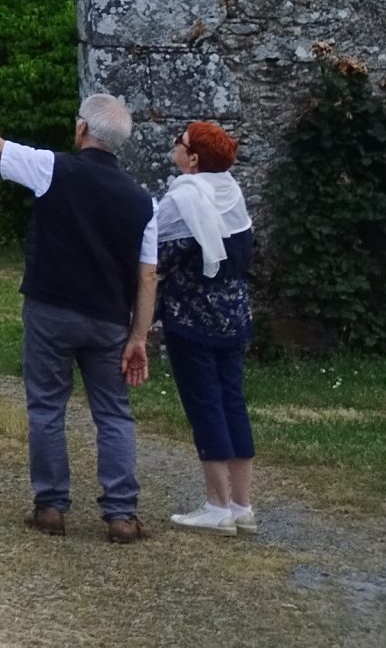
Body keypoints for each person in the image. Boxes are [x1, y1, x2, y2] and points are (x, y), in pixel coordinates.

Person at [0, 46, 158, 543]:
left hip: (51, 308)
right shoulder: (144, 203)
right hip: (108, 319)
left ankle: (51, 505)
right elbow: (146, 277)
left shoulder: (54, 169)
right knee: (113, 414)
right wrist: (138, 336)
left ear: (82, 131)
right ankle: (121, 513)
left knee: (47, 408)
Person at [154, 120, 257, 535]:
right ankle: (242, 505)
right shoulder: (231, 193)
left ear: (193, 160)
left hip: (192, 318)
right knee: (232, 400)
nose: (175, 147)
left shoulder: (185, 199)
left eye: (180, 143)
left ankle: (217, 506)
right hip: (234, 314)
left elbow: (156, 254)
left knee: (205, 404)